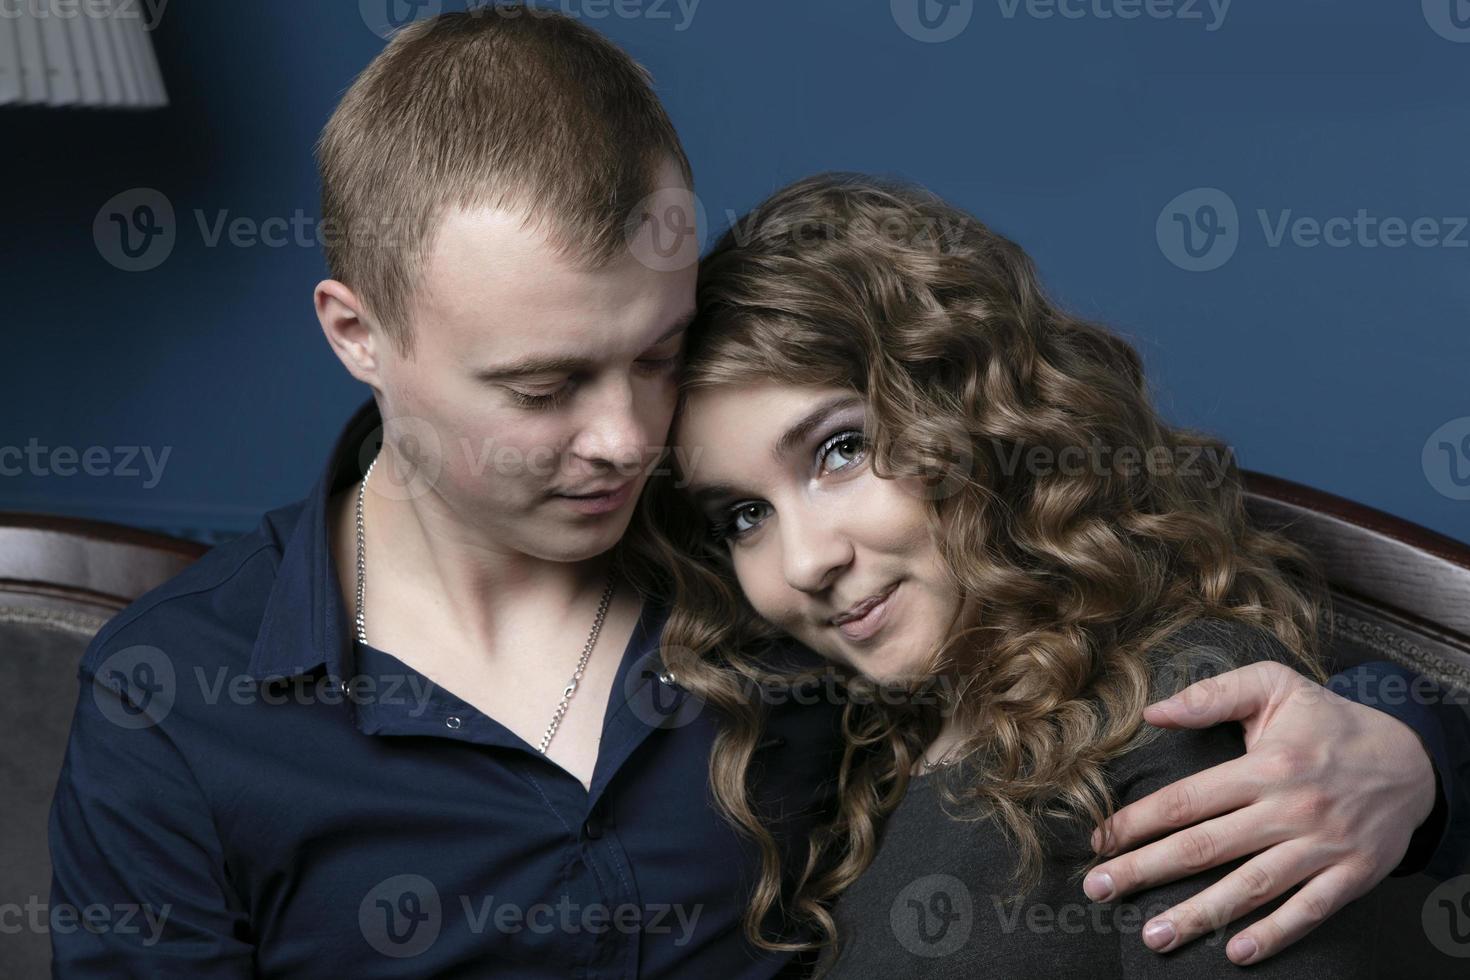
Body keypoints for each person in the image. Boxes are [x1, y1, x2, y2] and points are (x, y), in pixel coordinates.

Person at [46, 12, 1459, 977]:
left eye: (654, 356)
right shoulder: (174, 702)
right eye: (540, 389)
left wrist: (1414, 760)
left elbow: (1160, 635)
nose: (620, 442)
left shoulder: (788, 584)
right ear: (358, 336)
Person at [645, 172, 1469, 974]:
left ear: (972, 417)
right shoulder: (864, 758)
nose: (805, 562)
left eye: (842, 450)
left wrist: (1417, 758)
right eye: (744, 516)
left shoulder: (1187, 712)